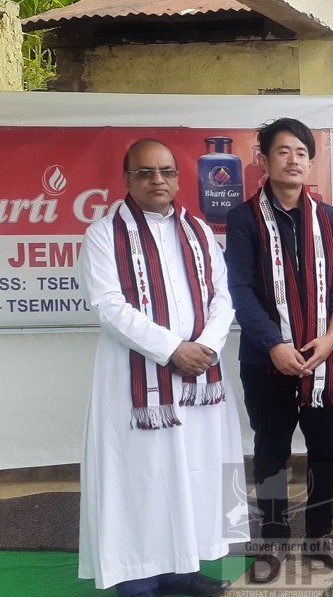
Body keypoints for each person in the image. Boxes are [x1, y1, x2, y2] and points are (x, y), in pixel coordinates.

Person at [77, 139, 245, 597]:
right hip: (136, 384)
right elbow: (108, 306)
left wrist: (205, 347)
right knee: (141, 479)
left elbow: (222, 297)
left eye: (167, 172)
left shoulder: (199, 231)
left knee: (194, 471)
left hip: (198, 381)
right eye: (146, 172)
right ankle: (136, 577)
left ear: (177, 177)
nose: (158, 181)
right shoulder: (103, 234)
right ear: (127, 178)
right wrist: (173, 349)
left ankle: (183, 569)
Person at [225, 118, 333, 582]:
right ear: (263, 159)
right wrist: (274, 344)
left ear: (310, 160)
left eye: (302, 152)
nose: (294, 160)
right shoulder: (243, 220)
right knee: (271, 451)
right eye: (283, 151)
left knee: (325, 449)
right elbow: (239, 290)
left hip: (324, 356)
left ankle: (319, 533)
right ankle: (275, 538)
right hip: (267, 360)